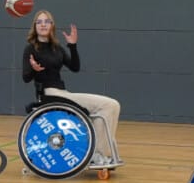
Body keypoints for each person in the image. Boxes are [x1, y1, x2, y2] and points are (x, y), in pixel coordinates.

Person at [21, 9, 120, 163]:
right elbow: (25, 78)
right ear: (34, 26)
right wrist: (34, 70)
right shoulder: (31, 49)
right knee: (103, 107)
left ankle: (103, 152)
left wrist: (72, 46)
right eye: (39, 22)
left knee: (113, 105)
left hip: (63, 93)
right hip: (48, 94)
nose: (43, 24)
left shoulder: (57, 48)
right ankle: (96, 154)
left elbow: (75, 67)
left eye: (47, 21)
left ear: (52, 26)